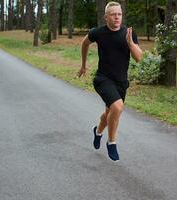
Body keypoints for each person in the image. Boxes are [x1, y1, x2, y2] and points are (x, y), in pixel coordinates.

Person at [78, 1, 143, 161]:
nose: (117, 17)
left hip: (121, 82)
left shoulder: (128, 33)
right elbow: (85, 43)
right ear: (106, 17)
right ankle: (111, 142)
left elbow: (138, 58)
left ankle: (98, 132)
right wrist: (84, 65)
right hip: (102, 79)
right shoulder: (98, 32)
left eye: (119, 14)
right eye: (113, 14)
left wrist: (130, 44)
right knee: (117, 107)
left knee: (109, 113)